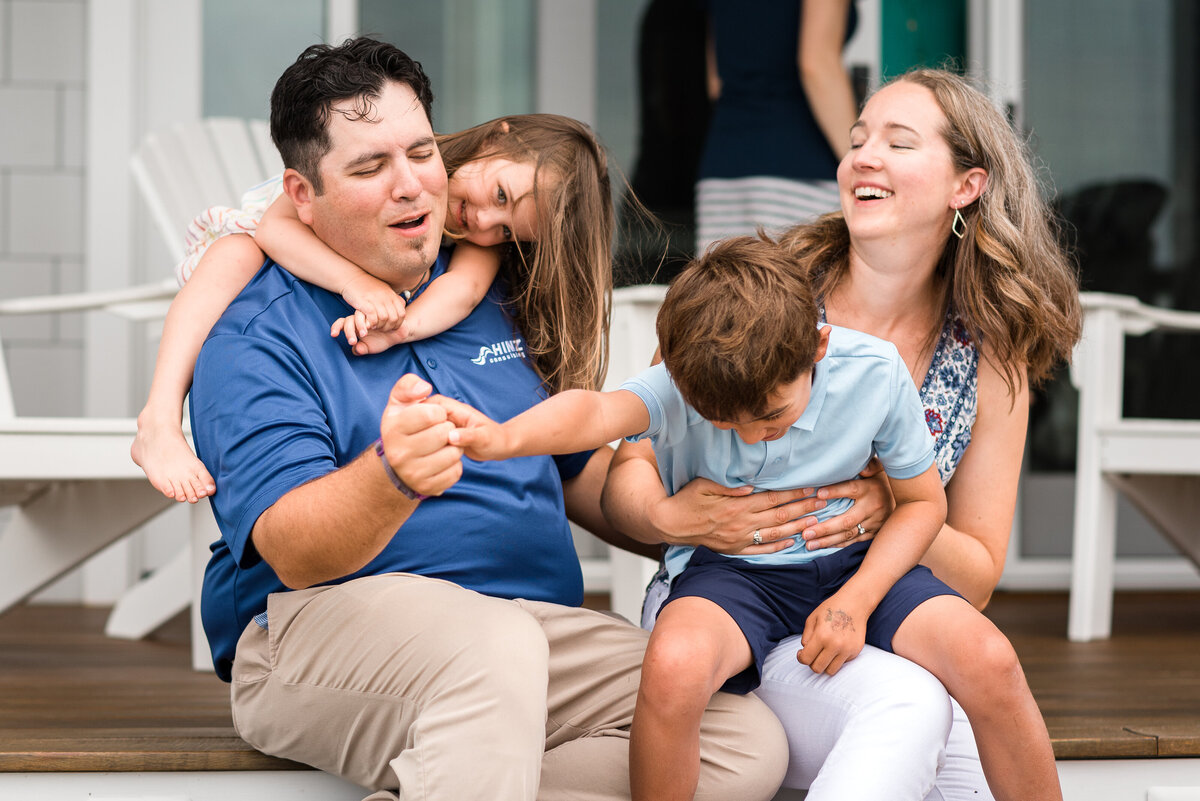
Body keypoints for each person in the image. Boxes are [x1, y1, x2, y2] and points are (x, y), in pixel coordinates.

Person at [187, 37, 787, 801]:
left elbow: (581, 479)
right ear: (302, 196)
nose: (412, 187)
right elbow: (293, 550)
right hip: (314, 632)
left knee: (739, 738)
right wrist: (391, 476)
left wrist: (681, 512)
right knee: (495, 653)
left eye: (421, 153)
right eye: (371, 168)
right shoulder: (256, 332)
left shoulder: (495, 284)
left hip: (526, 624)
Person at [603, 68, 1082, 800]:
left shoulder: (988, 349)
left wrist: (892, 504)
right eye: (857, 140)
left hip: (878, 601)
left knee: (963, 721)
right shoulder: (759, 290)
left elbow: (978, 573)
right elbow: (632, 457)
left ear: (967, 185)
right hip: (738, 599)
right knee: (909, 706)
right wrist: (668, 514)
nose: (863, 156)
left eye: (898, 142)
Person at [444, 234, 1060, 801]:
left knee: (990, 659)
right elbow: (591, 415)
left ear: (817, 346)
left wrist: (857, 602)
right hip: (734, 573)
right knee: (673, 664)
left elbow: (925, 504)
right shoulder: (685, 381)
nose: (747, 433)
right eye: (722, 420)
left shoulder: (874, 372)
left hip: (858, 563)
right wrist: (500, 438)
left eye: (768, 413)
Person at [132, 110, 613, 506]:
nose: (485, 222)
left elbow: (462, 292)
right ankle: (158, 417)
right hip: (281, 241)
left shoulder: (478, 238)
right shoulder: (399, 158)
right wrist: (356, 283)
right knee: (235, 253)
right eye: (501, 195)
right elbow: (274, 230)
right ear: (496, 137)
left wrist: (401, 328)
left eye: (508, 230)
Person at [695, 0, 859, 251]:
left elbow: (715, 83)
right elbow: (816, 65)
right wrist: (857, 160)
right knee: (801, 288)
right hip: (799, 169)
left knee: (720, 286)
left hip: (723, 170)